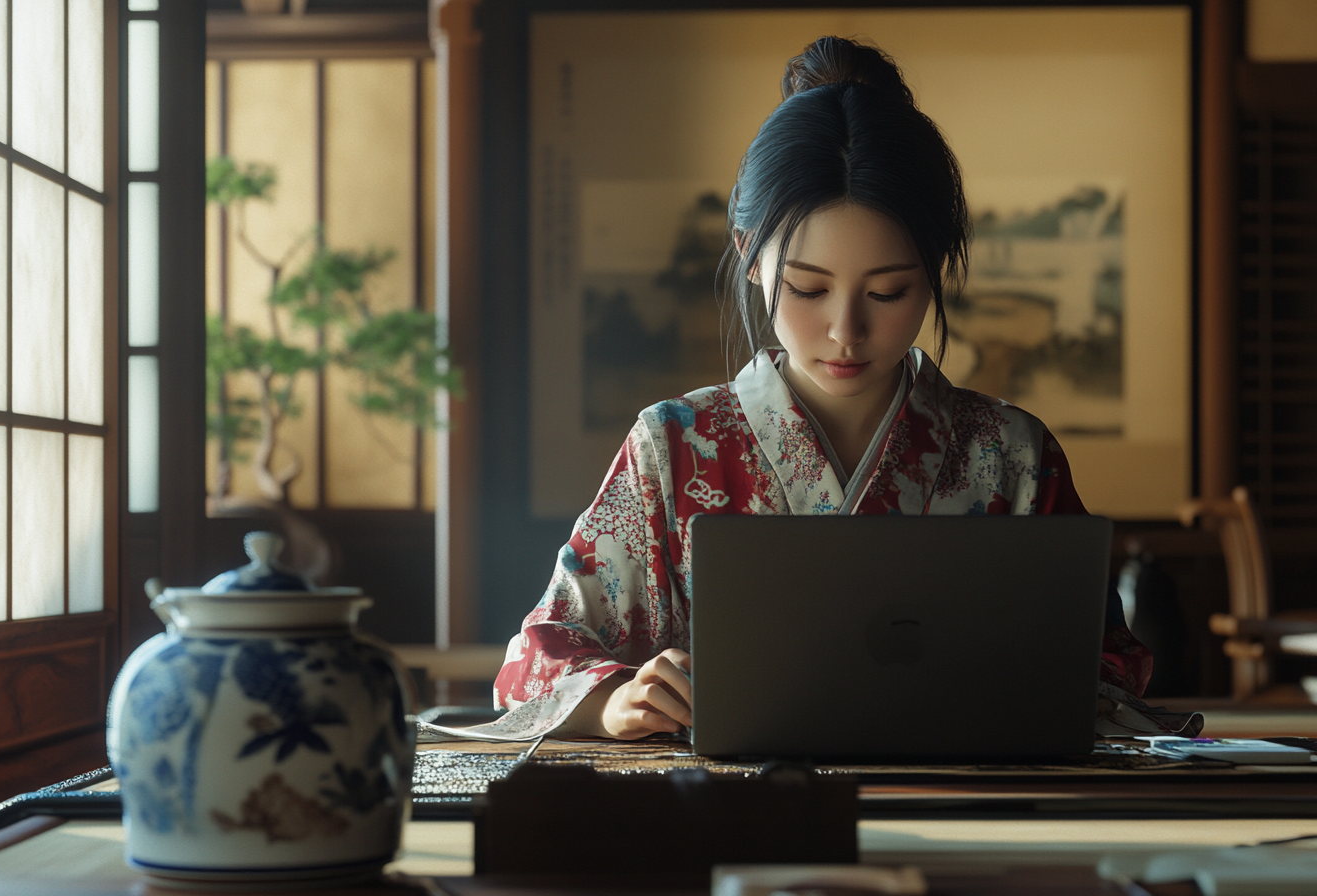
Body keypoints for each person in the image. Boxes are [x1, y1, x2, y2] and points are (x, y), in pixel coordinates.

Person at [485, 36, 1152, 742]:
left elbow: (1109, 665)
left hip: (979, 807)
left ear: (936, 267)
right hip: (733, 819)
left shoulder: (1013, 455)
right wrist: (619, 699)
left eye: (889, 291)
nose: (846, 331)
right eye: (807, 287)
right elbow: (534, 659)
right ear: (749, 256)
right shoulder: (674, 446)